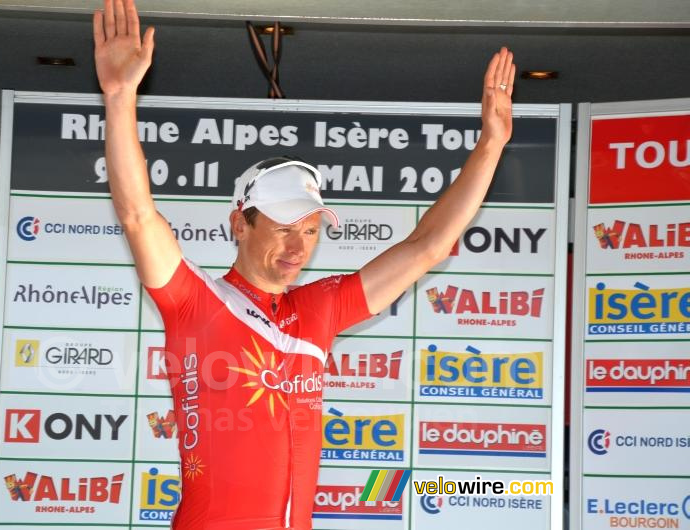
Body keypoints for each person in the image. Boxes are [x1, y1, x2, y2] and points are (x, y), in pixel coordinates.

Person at [93, 0, 515, 528]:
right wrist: (119, 96)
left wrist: (491, 146)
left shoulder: (320, 308)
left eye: (311, 231)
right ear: (239, 224)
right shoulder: (192, 299)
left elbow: (428, 246)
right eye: (284, 228)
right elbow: (137, 215)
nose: (299, 247)